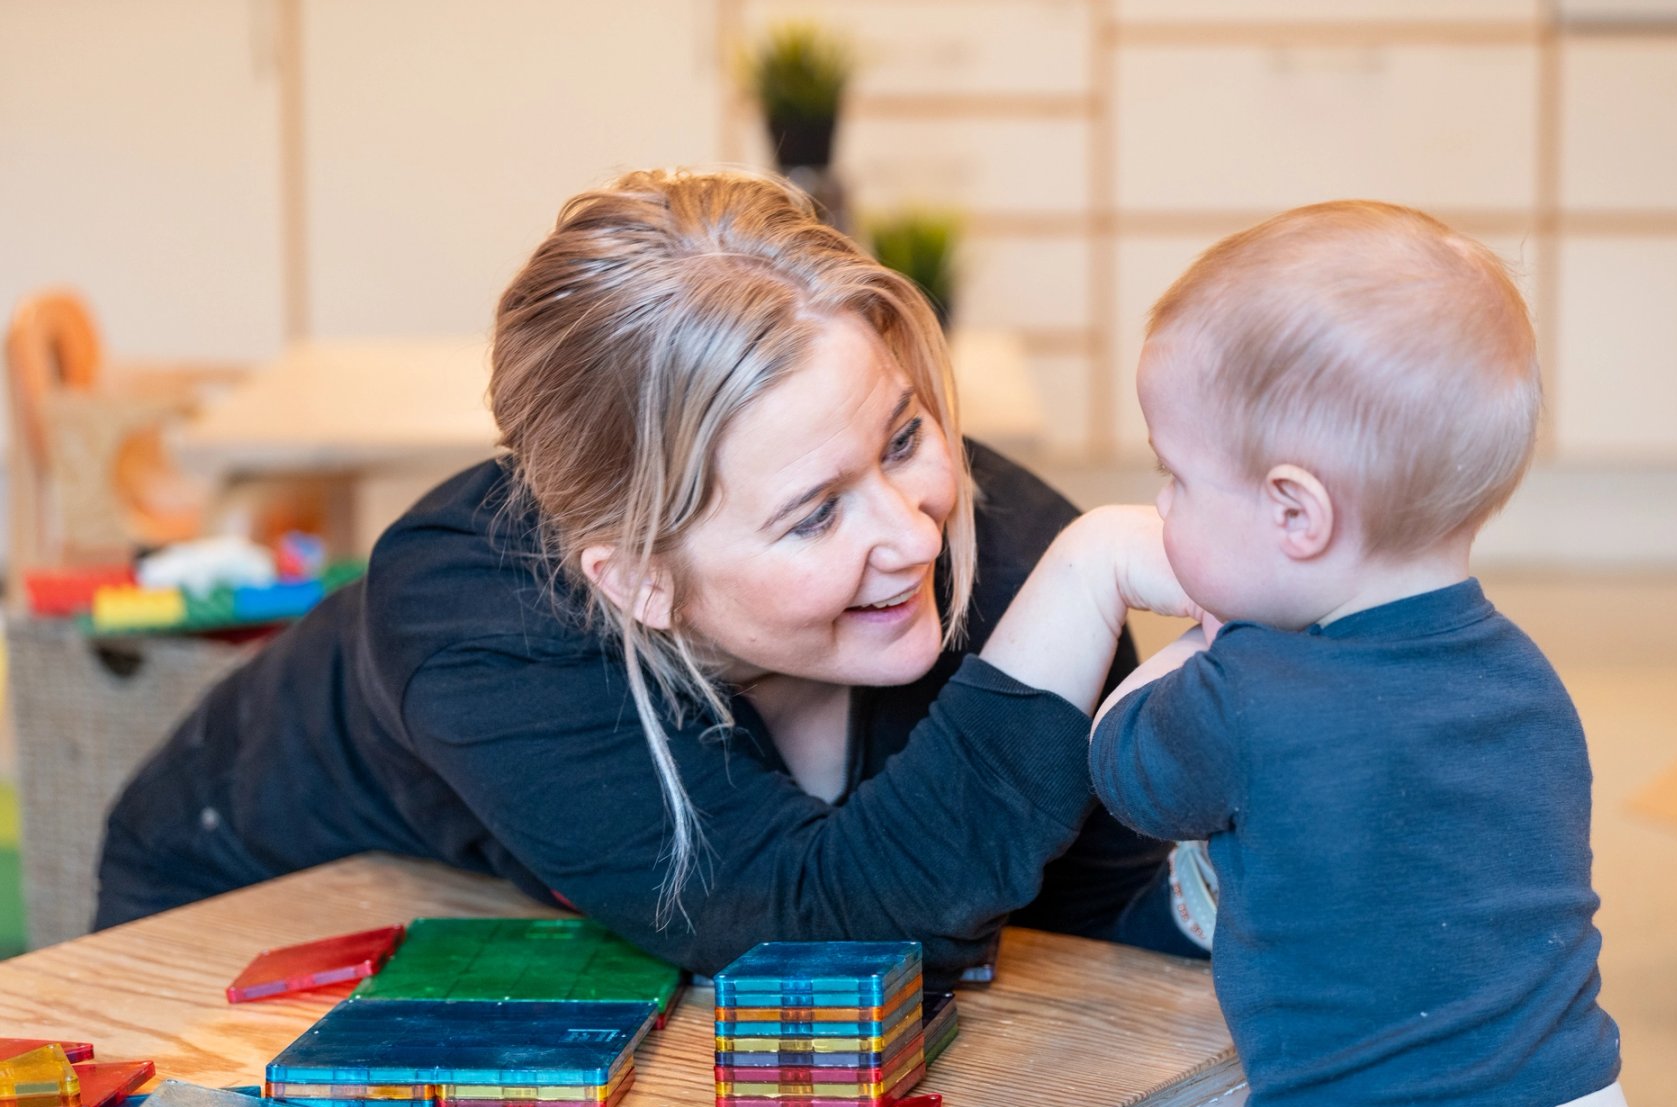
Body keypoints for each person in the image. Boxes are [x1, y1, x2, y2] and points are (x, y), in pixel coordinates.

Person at [96, 168, 1207, 977]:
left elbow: (1097, 918)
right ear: (638, 582)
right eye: (815, 514)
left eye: (905, 437)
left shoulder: (1004, 545)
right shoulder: (476, 619)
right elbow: (828, 934)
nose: (916, 535)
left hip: (544, 915)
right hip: (257, 901)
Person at [1089, 202, 1636, 1107]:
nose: (1159, 500)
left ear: (1294, 515)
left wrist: (1194, 631)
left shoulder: (1247, 688)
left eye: (1176, 476)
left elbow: (1120, 765)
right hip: (1579, 1105)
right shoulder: (1529, 681)